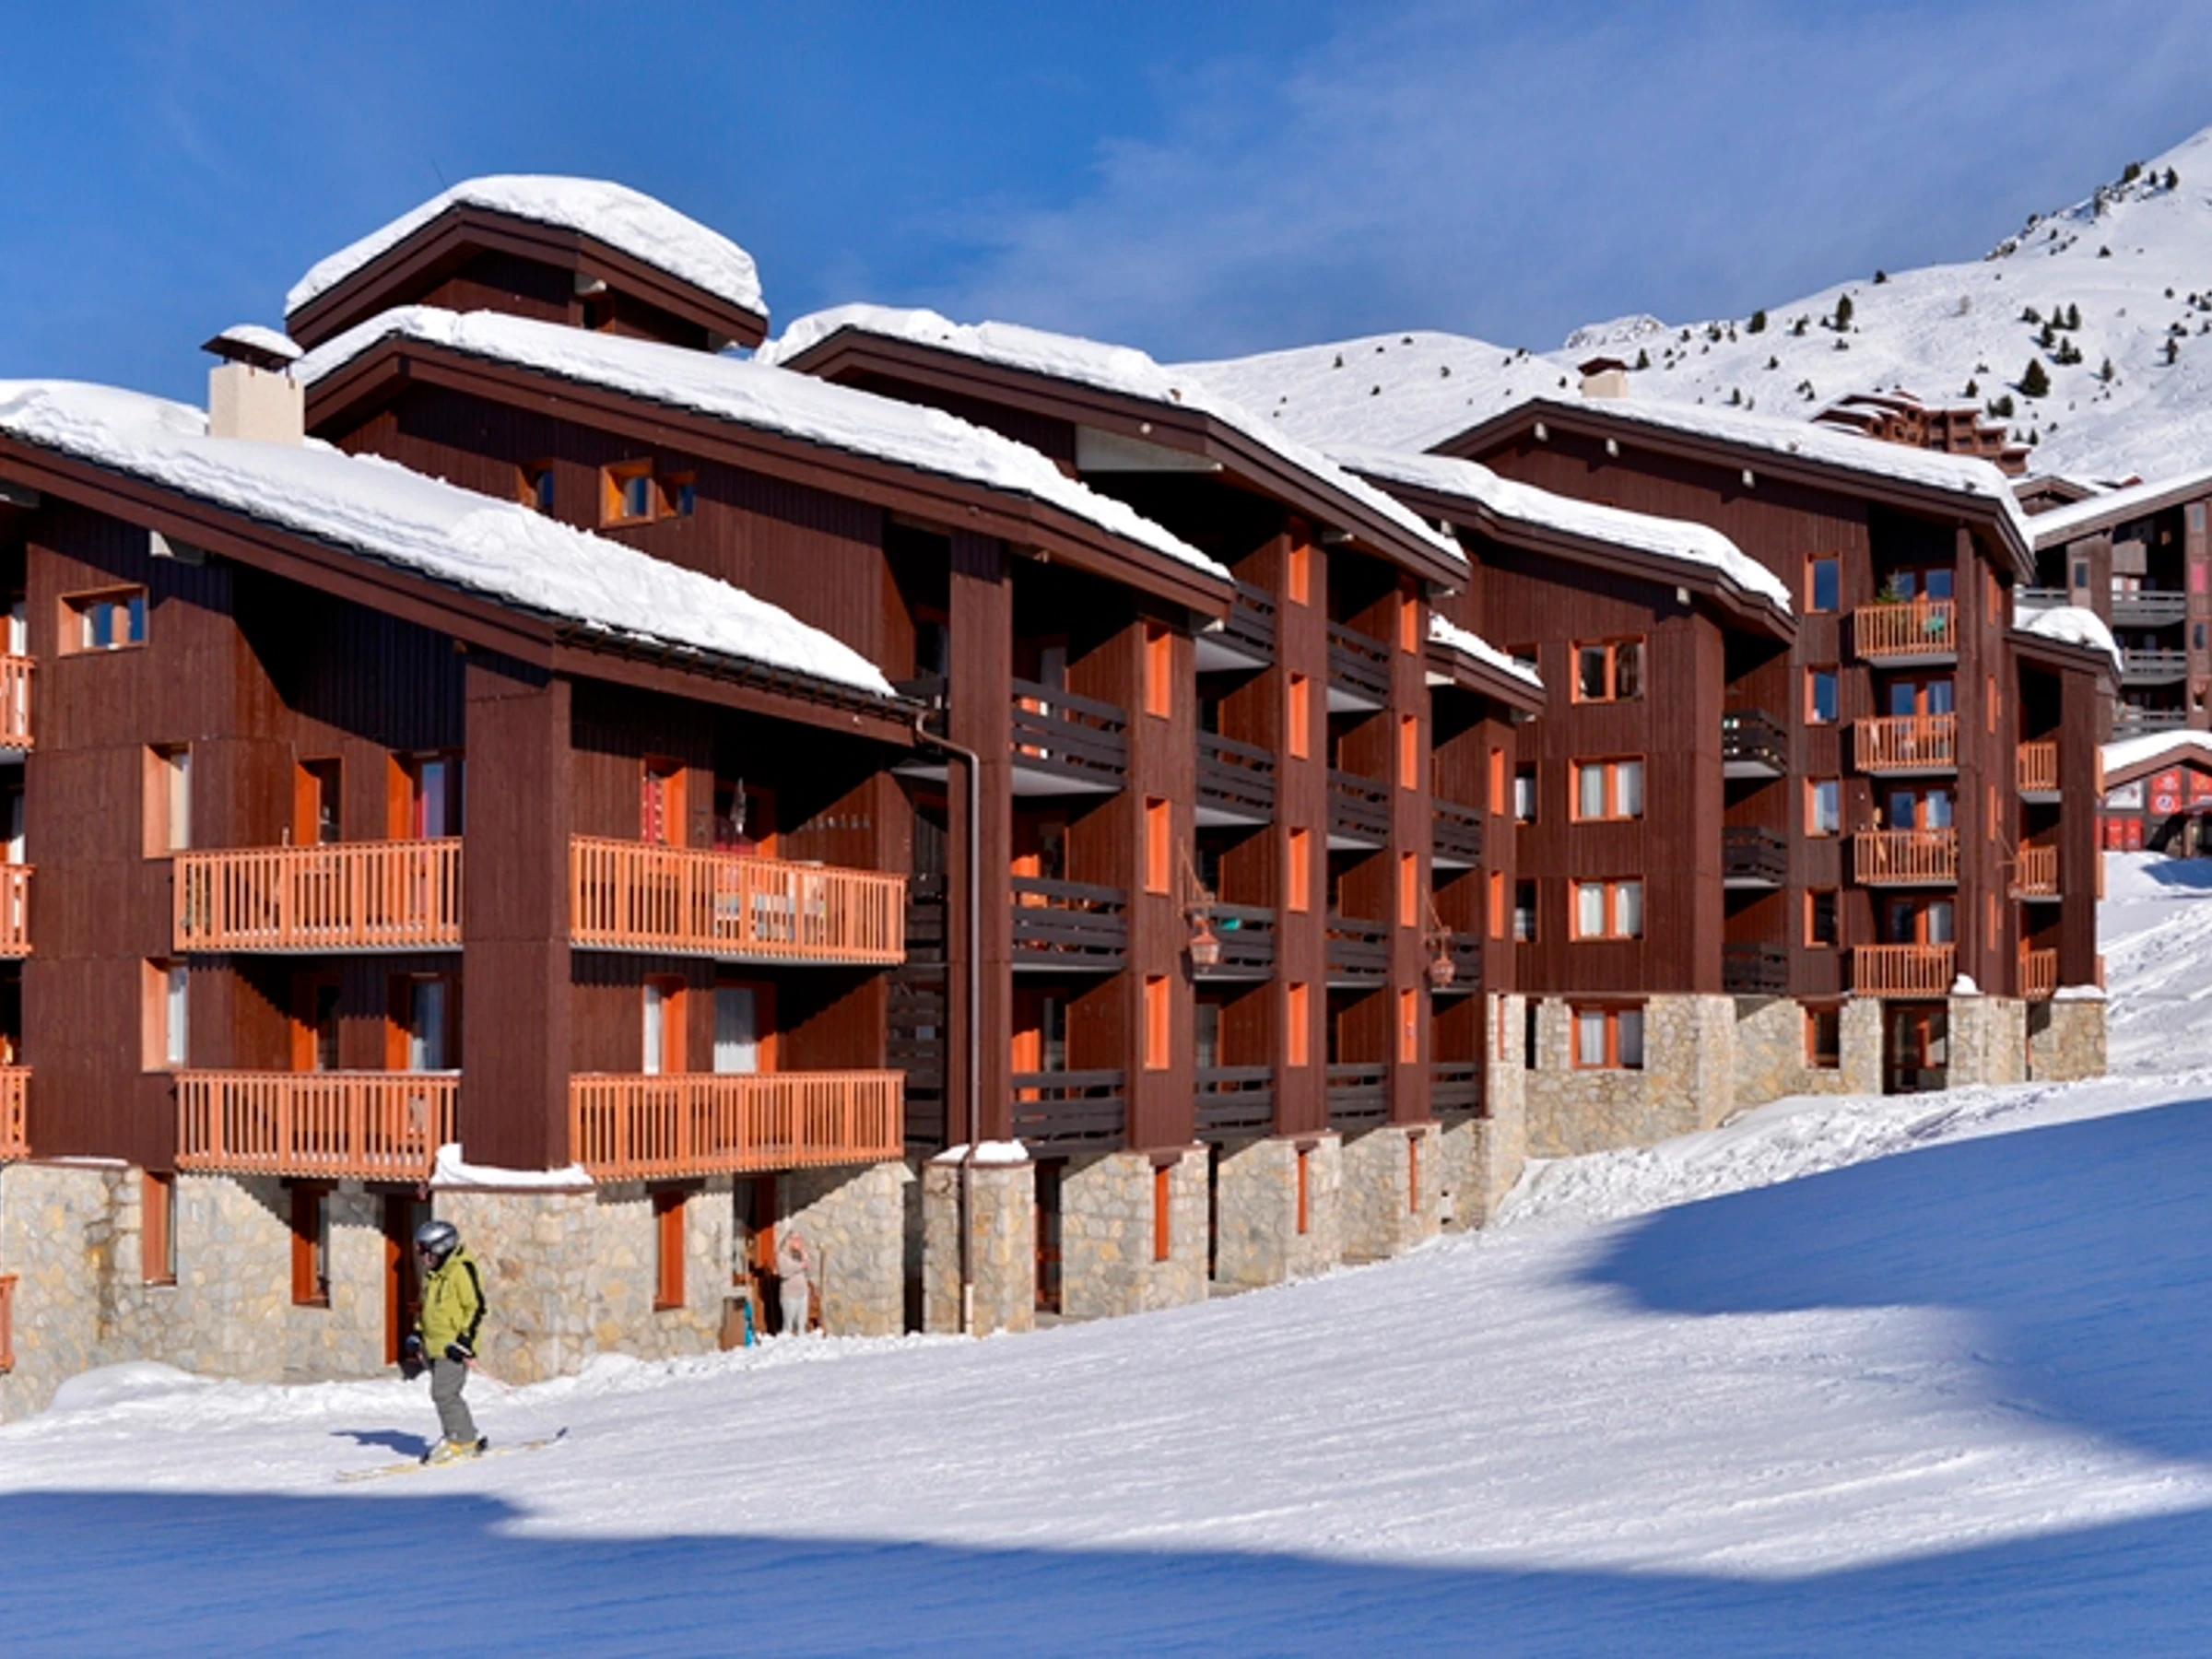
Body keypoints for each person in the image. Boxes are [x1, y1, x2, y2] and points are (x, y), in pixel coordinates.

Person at [401, 1218, 487, 1463]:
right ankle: (462, 1434)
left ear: (441, 1247)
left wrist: (464, 1340)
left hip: (453, 1347)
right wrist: (418, 1333)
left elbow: (476, 1307)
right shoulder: (433, 1275)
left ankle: (462, 1441)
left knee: (444, 1393)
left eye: (425, 1251)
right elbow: (429, 1310)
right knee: (444, 1394)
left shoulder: (460, 1270)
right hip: (434, 1345)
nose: (422, 1257)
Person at [776, 1227, 813, 1337]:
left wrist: (804, 1254)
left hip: (802, 1292)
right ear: (789, 1241)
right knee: (788, 1325)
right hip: (789, 1294)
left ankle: (801, 1344)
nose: (799, 1241)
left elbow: (809, 1269)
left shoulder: (799, 1255)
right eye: (796, 1239)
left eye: (800, 1239)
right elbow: (785, 1272)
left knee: (801, 1325)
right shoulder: (782, 1256)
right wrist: (801, 1265)